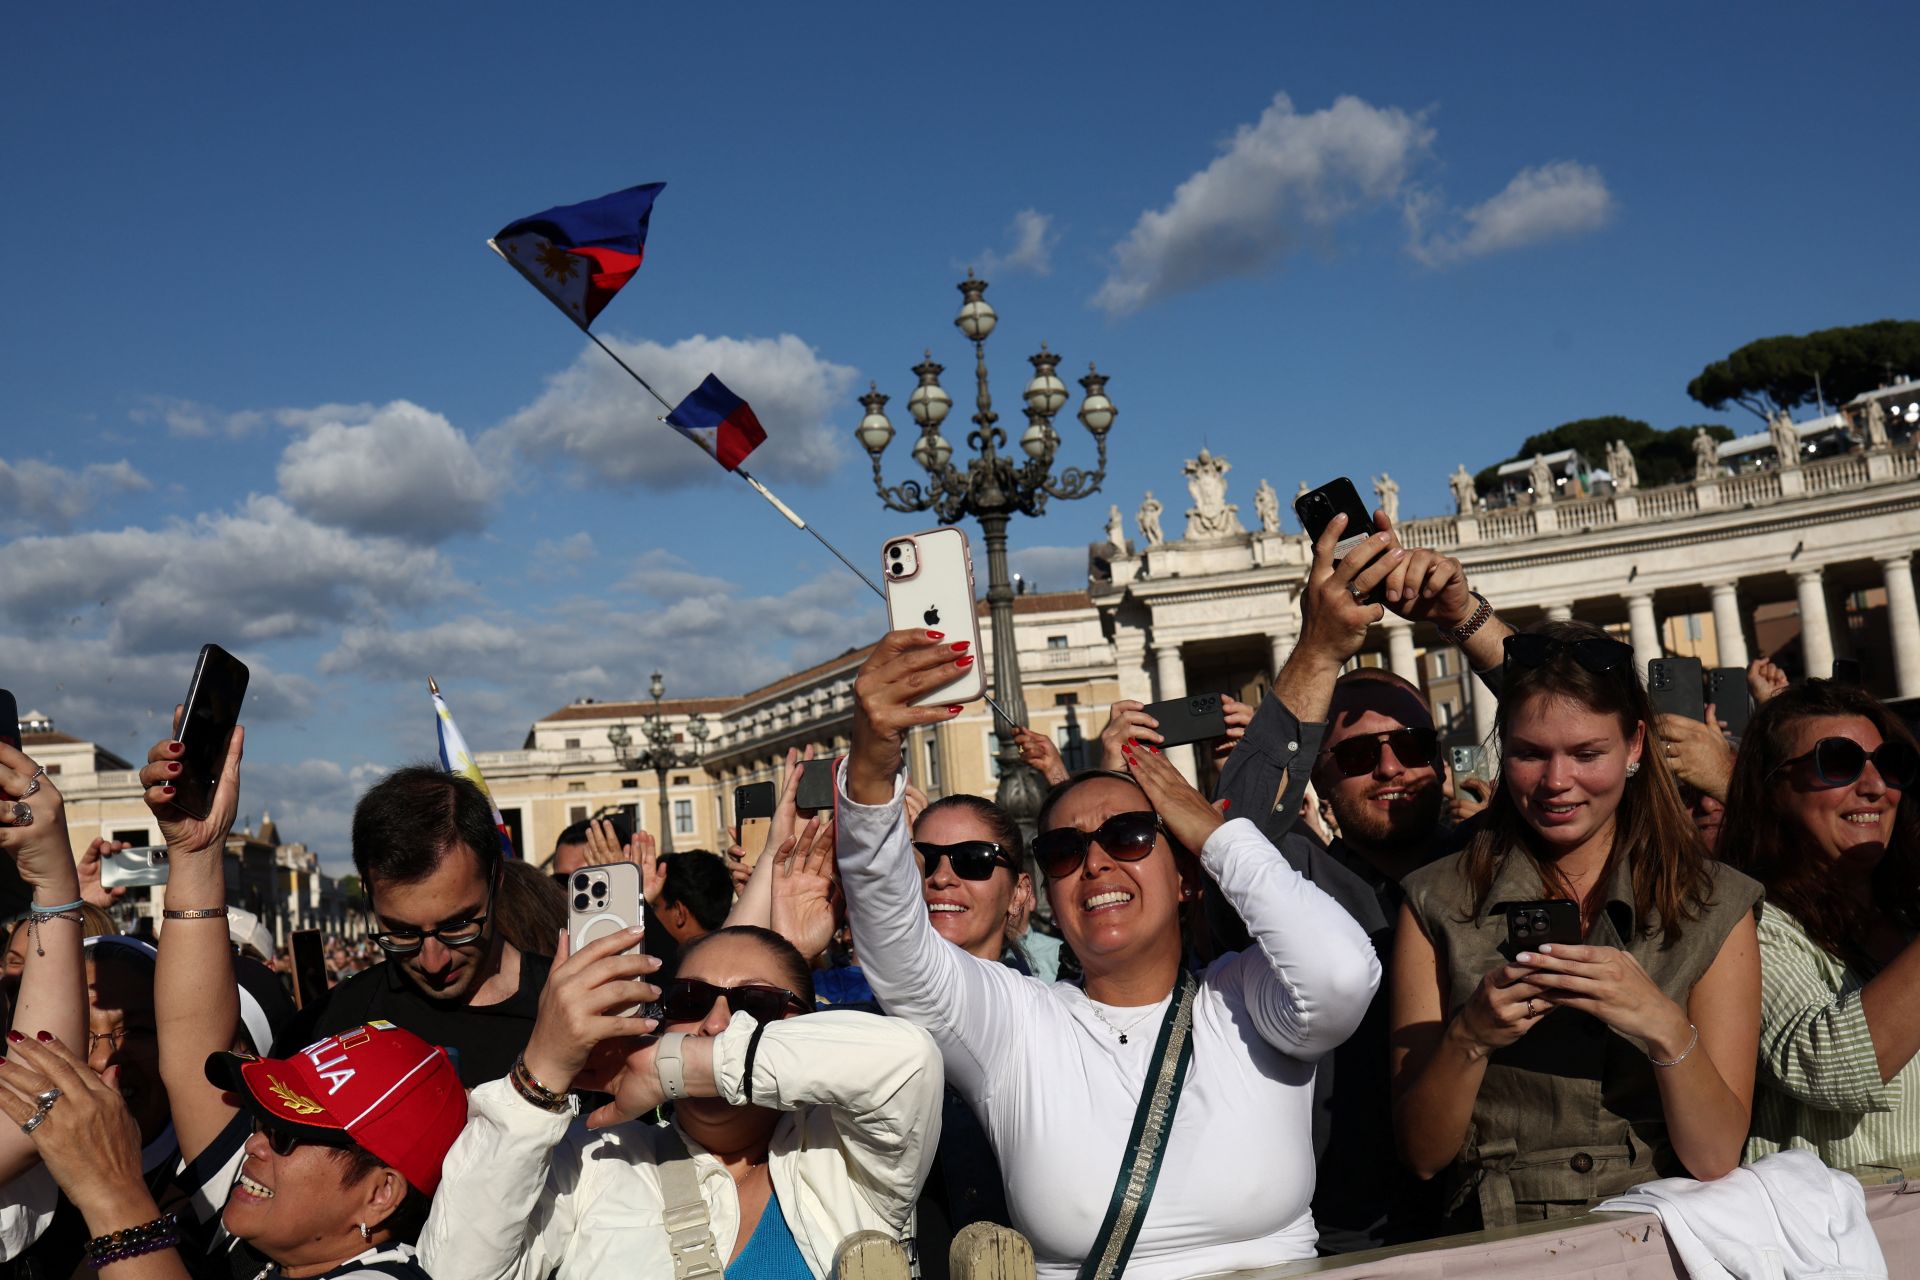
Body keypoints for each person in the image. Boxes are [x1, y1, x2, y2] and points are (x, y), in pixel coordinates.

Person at [838, 628, 1380, 1279]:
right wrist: (870, 773)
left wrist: (1215, 834)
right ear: (1046, 888)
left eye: (1128, 835)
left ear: (1185, 876)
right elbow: (897, 952)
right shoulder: (1016, 1024)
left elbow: (1343, 973)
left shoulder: (1247, 996)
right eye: (1063, 851)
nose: (1094, 862)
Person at [1391, 622, 1762, 1230]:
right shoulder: (1435, 899)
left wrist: (1663, 1024)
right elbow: (1423, 1154)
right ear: (1502, 747)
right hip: (1499, 1241)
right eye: (1530, 754)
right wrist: (1471, 1037)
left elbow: (1716, 1153)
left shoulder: (1715, 900)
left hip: (1660, 1233)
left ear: (1635, 745)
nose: (1557, 782)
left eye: (1587, 754)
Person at [1212, 514, 1515, 1250]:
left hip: (1498, 1208)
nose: (1388, 767)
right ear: (1319, 777)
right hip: (1351, 1223)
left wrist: (1462, 617)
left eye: (1410, 746)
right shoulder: (1294, 879)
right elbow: (1236, 829)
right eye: (1357, 756)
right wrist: (1319, 650)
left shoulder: (1497, 854)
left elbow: (1579, 729)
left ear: (1444, 763)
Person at [420, 924, 941, 1280]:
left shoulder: (844, 1156)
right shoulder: (598, 1159)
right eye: (690, 1001)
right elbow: (454, 1268)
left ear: (804, 1032)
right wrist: (542, 1072)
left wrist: (682, 1066)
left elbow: (909, 1059)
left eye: (754, 1004)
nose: (715, 1024)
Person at [0, 1020, 464, 1280]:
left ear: (380, 1194)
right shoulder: (262, 1249)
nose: (254, 1143)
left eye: (285, 1136)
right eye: (262, 1123)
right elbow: (190, 1045)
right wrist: (195, 859)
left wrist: (113, 1193)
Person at [1719, 680, 1920, 1167]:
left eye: (1888, 765)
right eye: (1839, 763)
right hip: (1843, 1234)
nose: (1874, 786)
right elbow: (1831, 1066)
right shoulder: (1748, 922)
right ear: (1772, 793)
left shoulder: (1907, 915)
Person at [283, 767, 548, 1087]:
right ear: (369, 894)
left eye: (458, 925)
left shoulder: (565, 1005)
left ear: (497, 880)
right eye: (402, 932)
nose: (433, 961)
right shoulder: (338, 1021)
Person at [652, 852, 733, 946]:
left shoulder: (657, 958)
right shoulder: (741, 952)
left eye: (654, 907)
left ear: (679, 912)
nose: (646, 916)